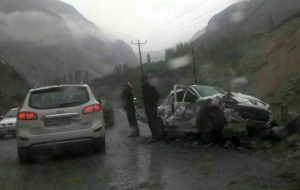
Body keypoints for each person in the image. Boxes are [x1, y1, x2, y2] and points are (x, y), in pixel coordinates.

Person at [141, 75, 165, 142]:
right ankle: (156, 136)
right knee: (154, 121)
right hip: (153, 106)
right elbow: (157, 96)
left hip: (150, 107)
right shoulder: (151, 86)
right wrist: (154, 103)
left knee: (152, 122)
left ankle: (154, 137)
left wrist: (150, 104)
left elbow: (146, 98)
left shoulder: (145, 86)